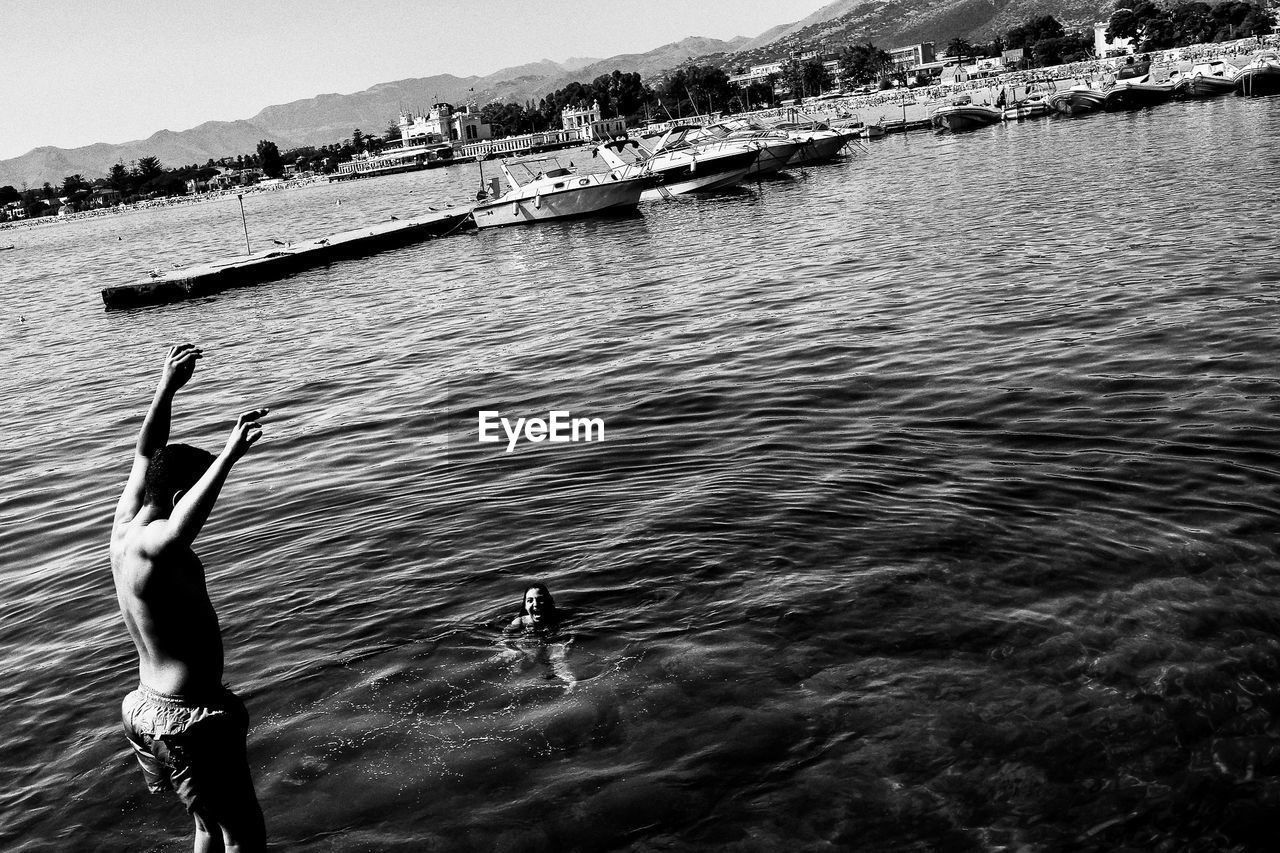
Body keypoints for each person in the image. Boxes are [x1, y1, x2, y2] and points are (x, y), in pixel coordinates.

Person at [111, 343, 269, 853]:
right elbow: (179, 529)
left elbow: (145, 454)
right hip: (189, 715)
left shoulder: (123, 528)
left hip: (146, 706)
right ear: (180, 496)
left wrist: (167, 387)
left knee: (207, 826)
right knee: (244, 833)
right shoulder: (157, 544)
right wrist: (229, 454)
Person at [503, 583, 576, 688]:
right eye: (530, 600)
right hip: (531, 644)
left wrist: (569, 645)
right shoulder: (519, 622)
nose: (536, 604)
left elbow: (572, 634)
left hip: (554, 641)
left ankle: (570, 684)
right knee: (521, 667)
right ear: (525, 605)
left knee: (559, 658)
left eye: (540, 599)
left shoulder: (560, 618)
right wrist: (511, 649)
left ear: (549, 601)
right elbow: (505, 637)